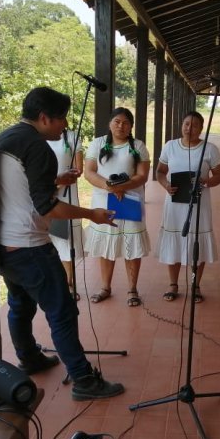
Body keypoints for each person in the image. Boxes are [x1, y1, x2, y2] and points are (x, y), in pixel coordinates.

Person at [0, 86, 124, 400]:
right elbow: (49, 208)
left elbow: (18, 184)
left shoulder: (7, 138)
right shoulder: (39, 148)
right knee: (62, 311)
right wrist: (92, 214)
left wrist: (55, 180)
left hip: (4, 245)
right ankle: (84, 380)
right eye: (61, 120)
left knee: (21, 304)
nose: (65, 126)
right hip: (29, 245)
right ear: (44, 118)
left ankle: (29, 358)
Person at [83, 108, 151, 307]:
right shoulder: (98, 144)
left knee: (132, 245)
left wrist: (122, 187)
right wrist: (110, 187)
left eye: (126, 123)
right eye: (117, 121)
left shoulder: (138, 145)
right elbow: (89, 172)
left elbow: (142, 175)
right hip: (104, 201)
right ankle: (105, 287)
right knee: (106, 244)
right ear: (110, 123)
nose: (121, 126)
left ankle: (132, 289)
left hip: (130, 200)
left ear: (131, 126)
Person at [155, 111, 220, 302]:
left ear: (201, 129)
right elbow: (160, 172)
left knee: (197, 243)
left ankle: (195, 285)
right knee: (175, 240)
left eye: (194, 125)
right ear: (181, 125)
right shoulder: (170, 146)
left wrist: (205, 181)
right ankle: (173, 284)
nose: (189, 129)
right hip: (174, 202)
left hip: (198, 203)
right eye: (186, 124)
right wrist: (166, 185)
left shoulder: (209, 149)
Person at [46, 127, 84, 294]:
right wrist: (48, 188)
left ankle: (68, 283)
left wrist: (58, 185)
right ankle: (53, 283)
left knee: (65, 240)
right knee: (48, 239)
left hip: (64, 194)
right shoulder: (38, 137)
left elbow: (78, 169)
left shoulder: (71, 137)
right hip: (43, 196)